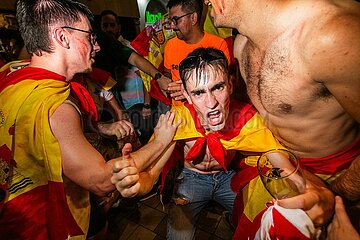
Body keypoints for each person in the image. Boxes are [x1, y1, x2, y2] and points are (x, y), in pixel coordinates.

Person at [0, 0, 179, 239]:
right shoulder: (57, 108)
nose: (96, 47)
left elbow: (42, 133)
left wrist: (102, 128)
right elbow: (101, 181)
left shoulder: (12, 71)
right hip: (39, 223)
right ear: (62, 37)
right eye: (90, 37)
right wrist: (161, 141)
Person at [204, 0, 360, 238]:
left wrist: (337, 194)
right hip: (275, 164)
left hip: (335, 176)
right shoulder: (241, 43)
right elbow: (251, 112)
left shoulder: (332, 35)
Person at [112, 47, 288, 240]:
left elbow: (280, 159)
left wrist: (302, 189)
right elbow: (151, 173)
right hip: (191, 179)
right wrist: (141, 184)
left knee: (258, 219)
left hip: (226, 177)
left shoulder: (246, 118)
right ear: (186, 96)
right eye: (198, 93)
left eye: (217, 87)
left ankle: (233, 217)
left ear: (230, 84)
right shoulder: (178, 119)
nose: (210, 102)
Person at [100, 9, 155, 144]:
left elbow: (145, 77)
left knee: (142, 143)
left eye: (112, 25)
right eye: (105, 26)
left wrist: (146, 105)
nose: (109, 29)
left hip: (137, 106)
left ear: (119, 27)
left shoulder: (129, 48)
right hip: (120, 108)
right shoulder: (101, 50)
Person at [162, 0, 231, 106]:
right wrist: (169, 86)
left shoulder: (218, 44)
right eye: (170, 21)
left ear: (193, 18)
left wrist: (189, 87)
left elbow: (226, 82)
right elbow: (167, 74)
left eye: (176, 20)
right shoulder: (170, 46)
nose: (172, 26)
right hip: (180, 115)